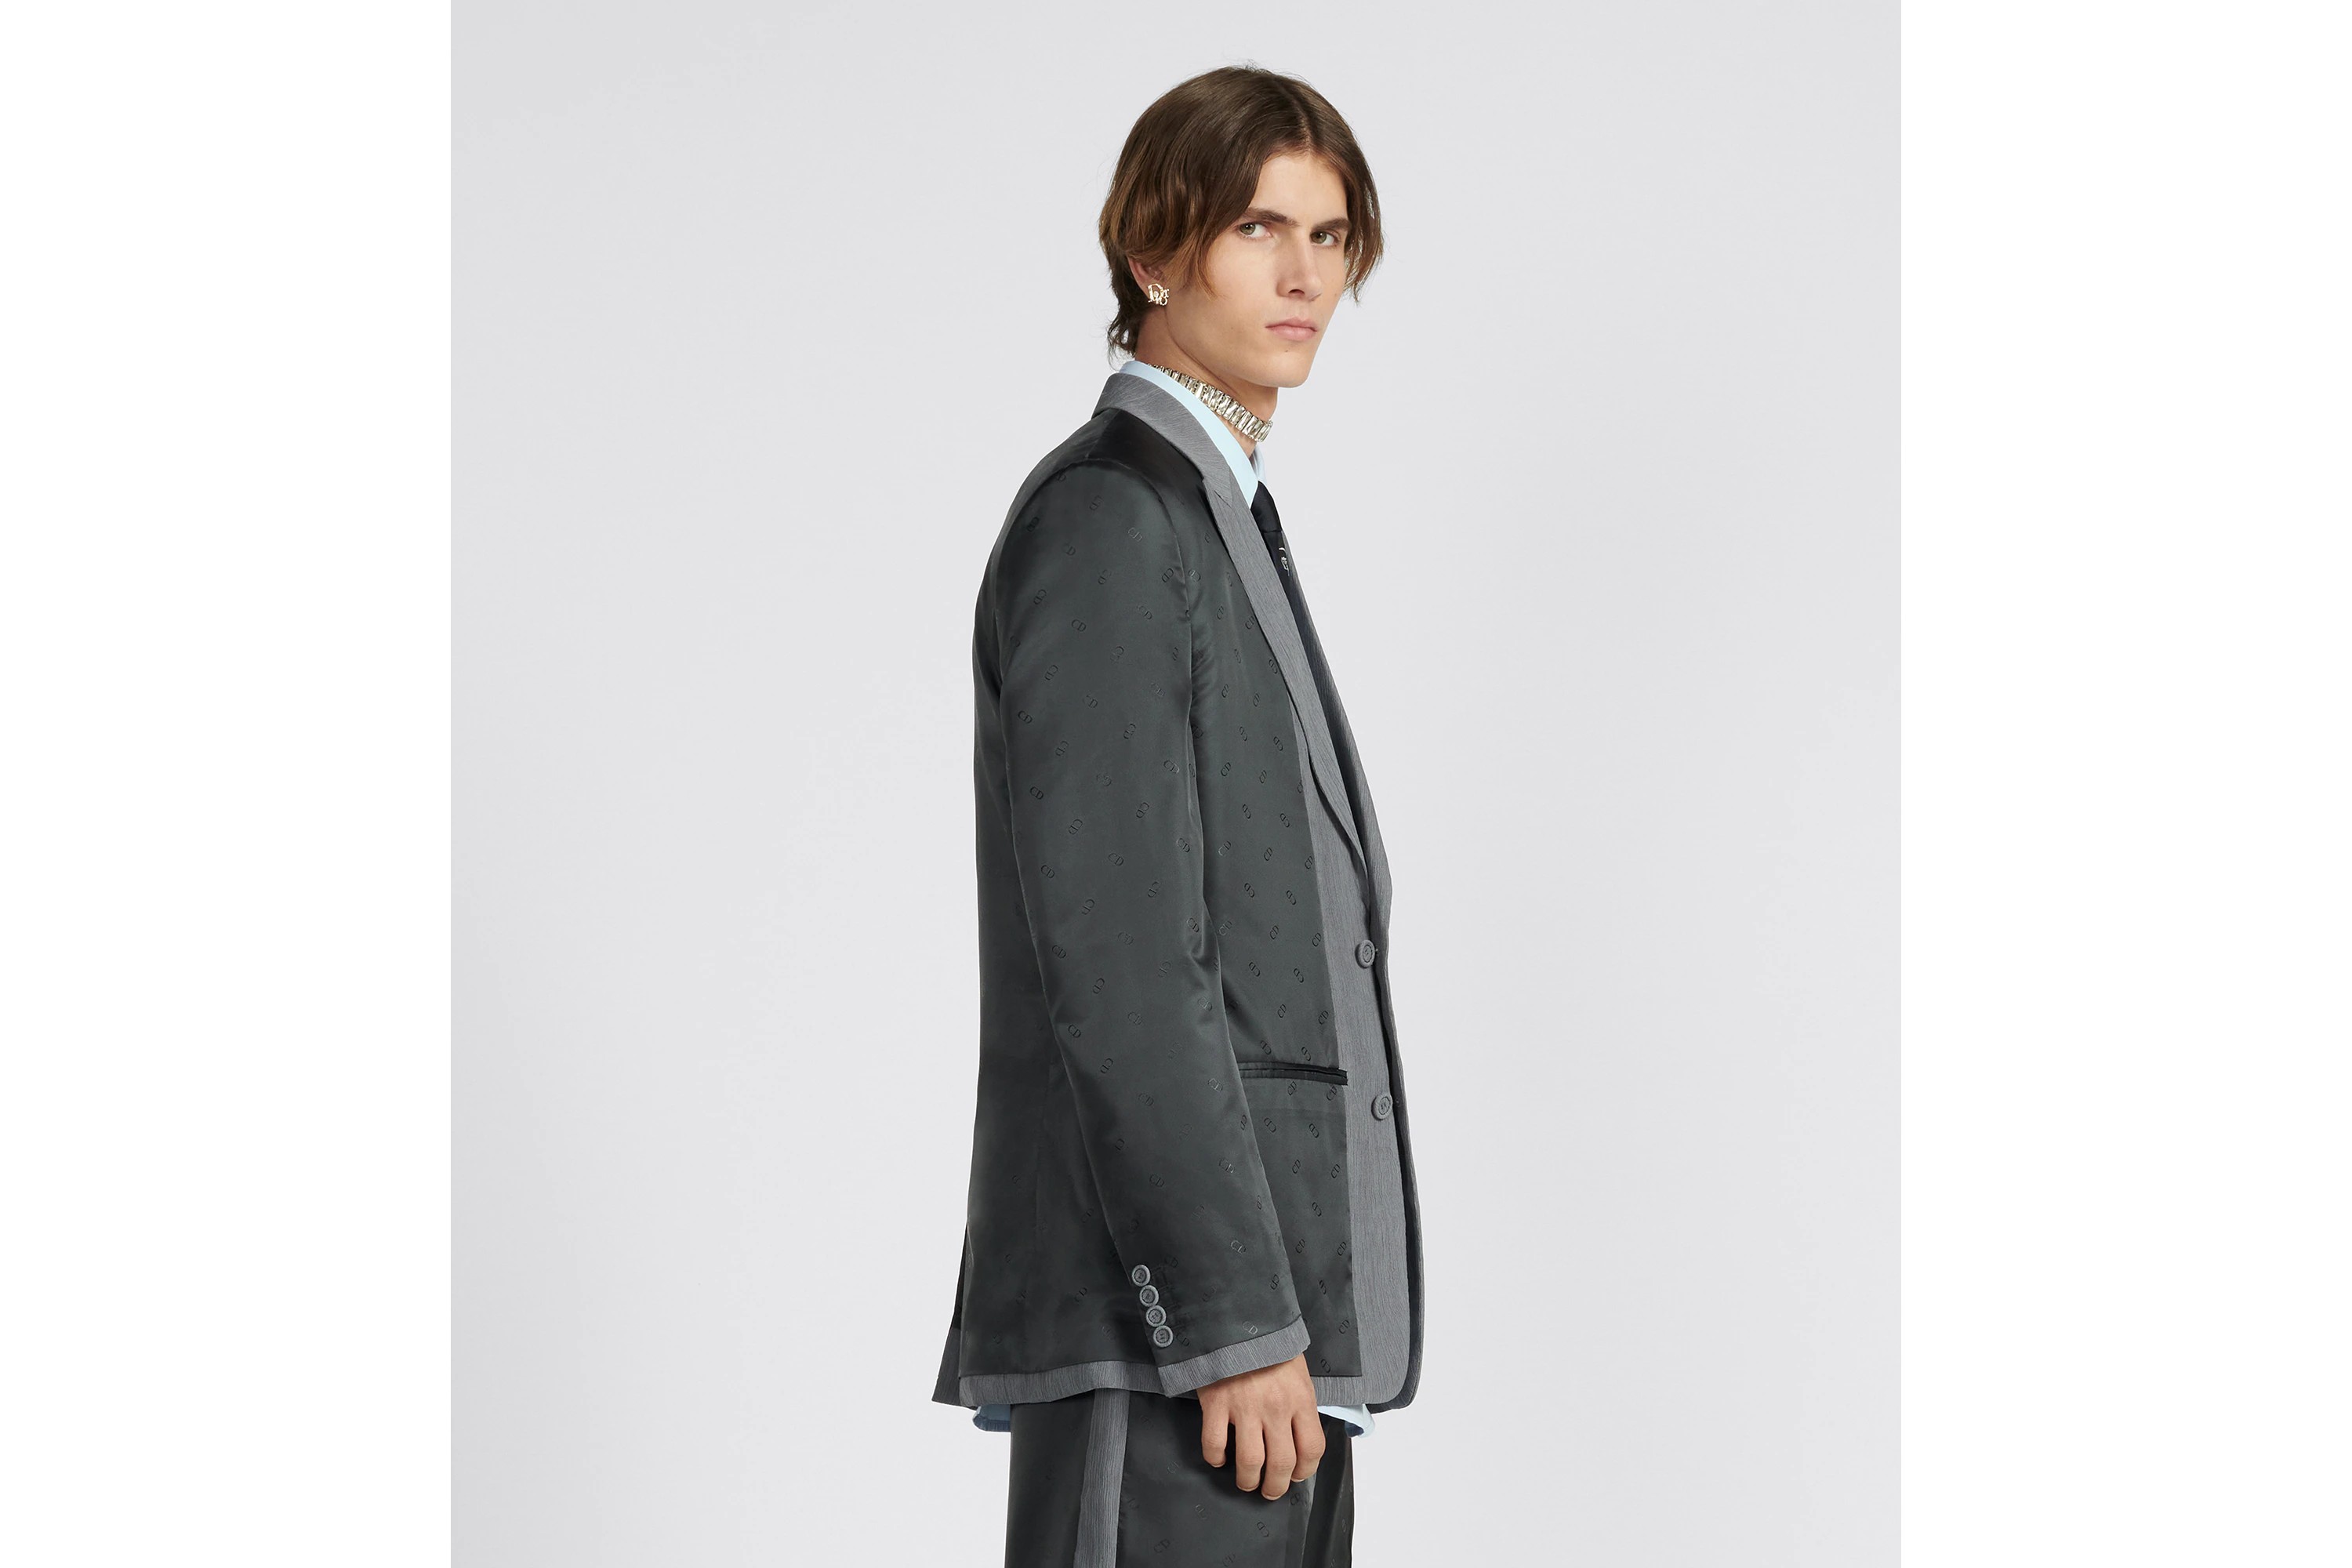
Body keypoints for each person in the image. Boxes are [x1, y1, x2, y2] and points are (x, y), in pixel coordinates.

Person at [932, 64, 1424, 1567]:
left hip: (1276, 1343)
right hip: (1187, 1348)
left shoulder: (1216, 517)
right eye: (1257, 229)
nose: (1304, 275)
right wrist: (1228, 1321)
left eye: (1328, 237)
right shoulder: (1110, 519)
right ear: (1155, 253)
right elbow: (1127, 964)